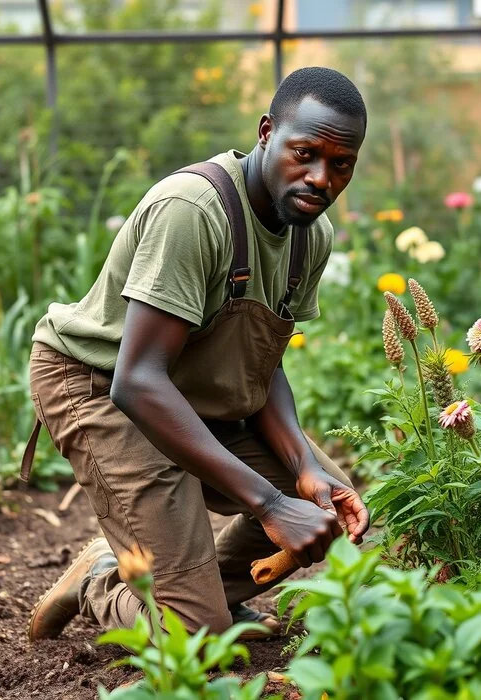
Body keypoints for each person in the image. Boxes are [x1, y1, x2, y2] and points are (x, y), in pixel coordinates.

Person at [24, 66, 370, 642]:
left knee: (323, 505)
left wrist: (302, 469)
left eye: (340, 165)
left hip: (178, 389)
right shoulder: (194, 210)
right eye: (304, 153)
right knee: (192, 632)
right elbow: (136, 381)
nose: (320, 178)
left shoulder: (311, 233)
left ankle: (200, 601)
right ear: (267, 132)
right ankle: (102, 582)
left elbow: (263, 361)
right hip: (99, 385)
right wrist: (268, 503)